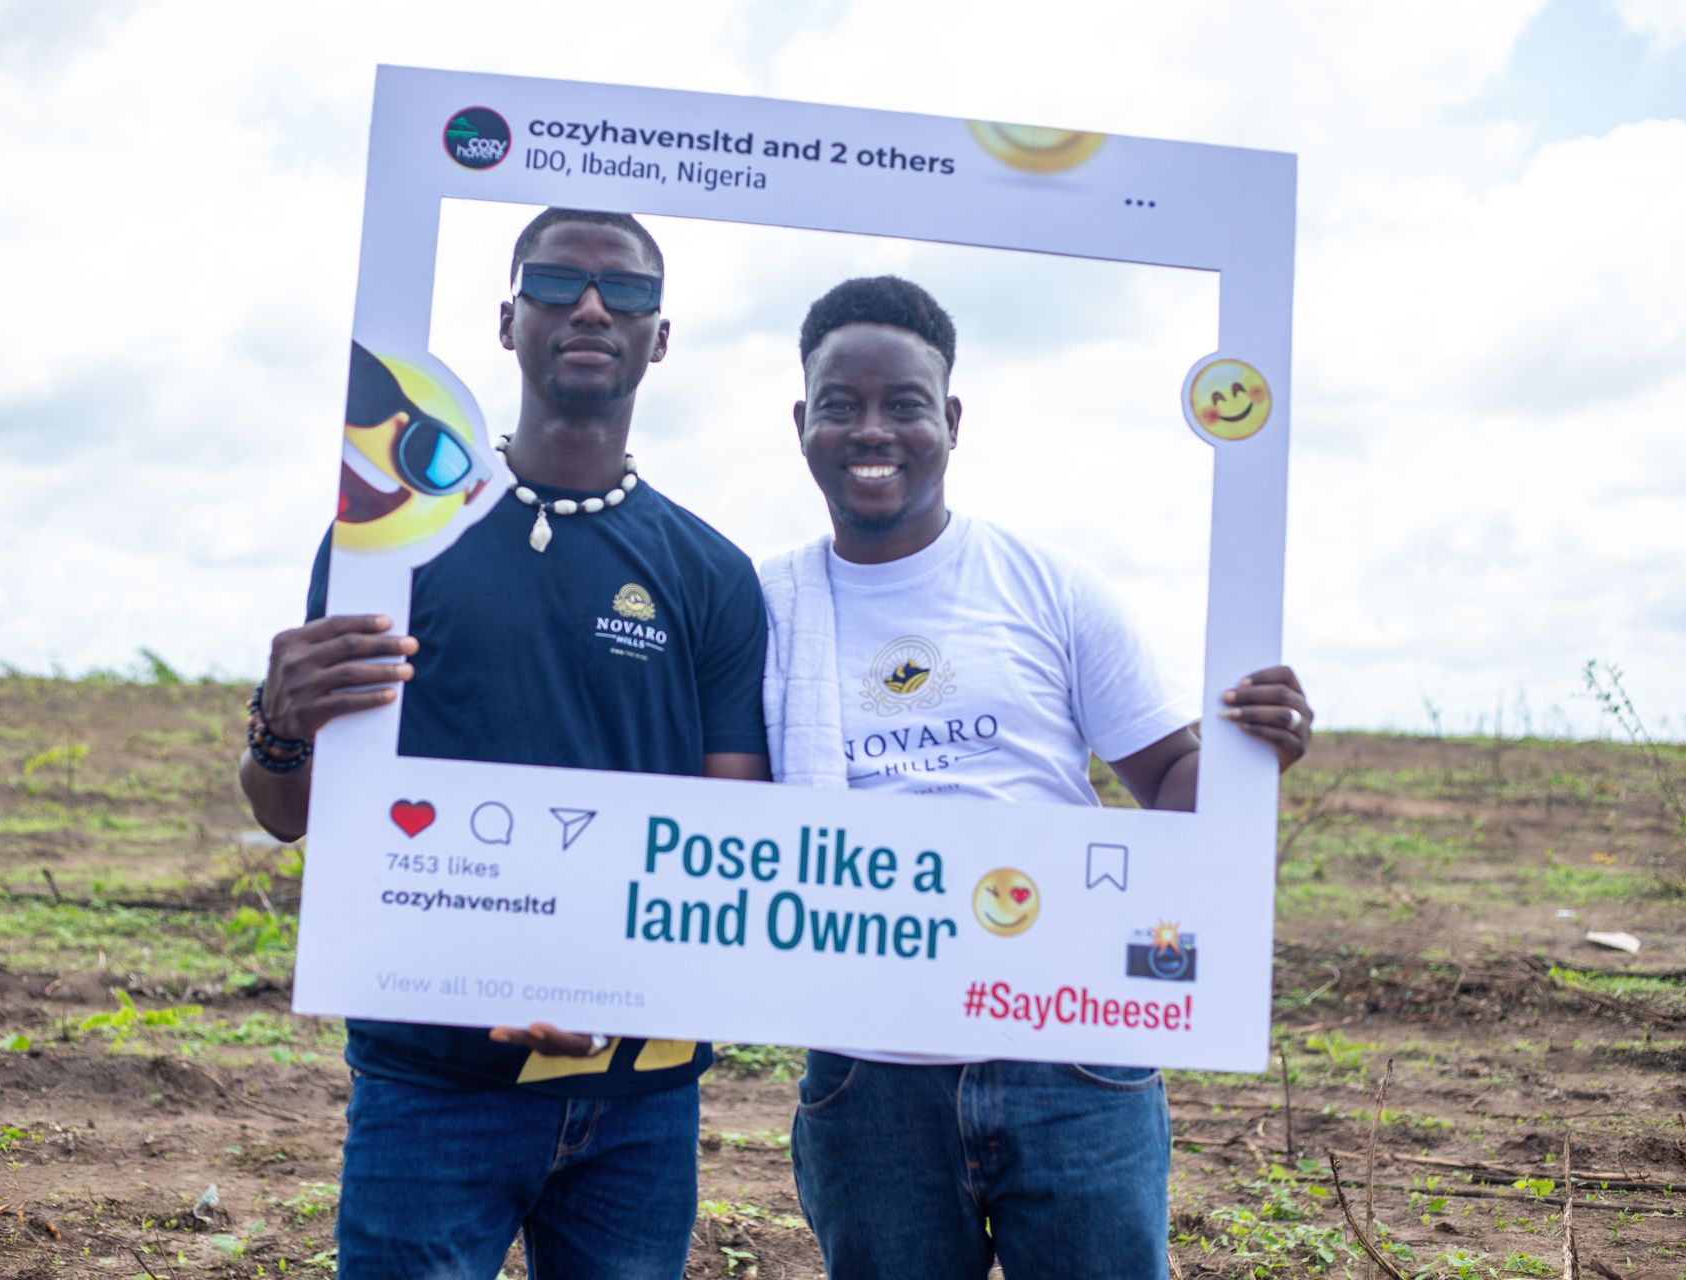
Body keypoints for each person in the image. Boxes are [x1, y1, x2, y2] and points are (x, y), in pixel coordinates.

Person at [241, 208, 770, 1280]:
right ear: (506, 319)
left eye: (624, 292)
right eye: (557, 281)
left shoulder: (711, 572)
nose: (589, 306)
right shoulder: (391, 541)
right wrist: (278, 721)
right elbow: (286, 811)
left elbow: (732, 841)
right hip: (432, 1082)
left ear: (657, 338)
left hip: (639, 1096)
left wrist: (614, 990)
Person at [761, 276, 1315, 1280]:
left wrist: (1251, 756)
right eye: (841, 405)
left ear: (953, 420)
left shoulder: (1047, 587)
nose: (872, 428)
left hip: (1072, 1053)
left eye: (905, 404)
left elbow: (1170, 779)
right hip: (869, 1073)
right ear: (803, 422)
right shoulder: (761, 609)